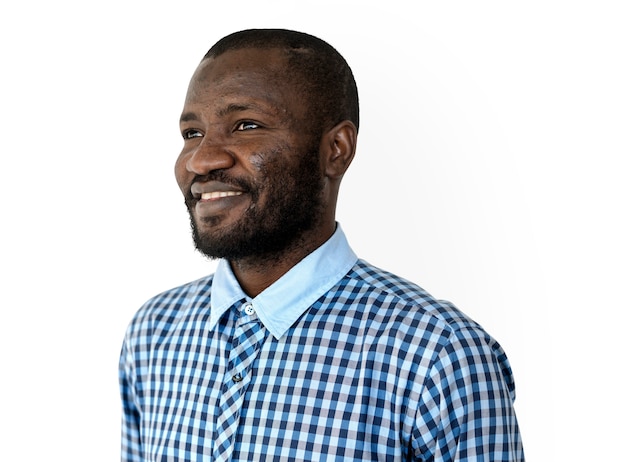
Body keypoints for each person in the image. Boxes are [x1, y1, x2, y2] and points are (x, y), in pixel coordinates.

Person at [119, 28, 524, 461]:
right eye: (192, 133)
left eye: (246, 125)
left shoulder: (439, 354)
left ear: (336, 149)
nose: (201, 160)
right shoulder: (153, 333)